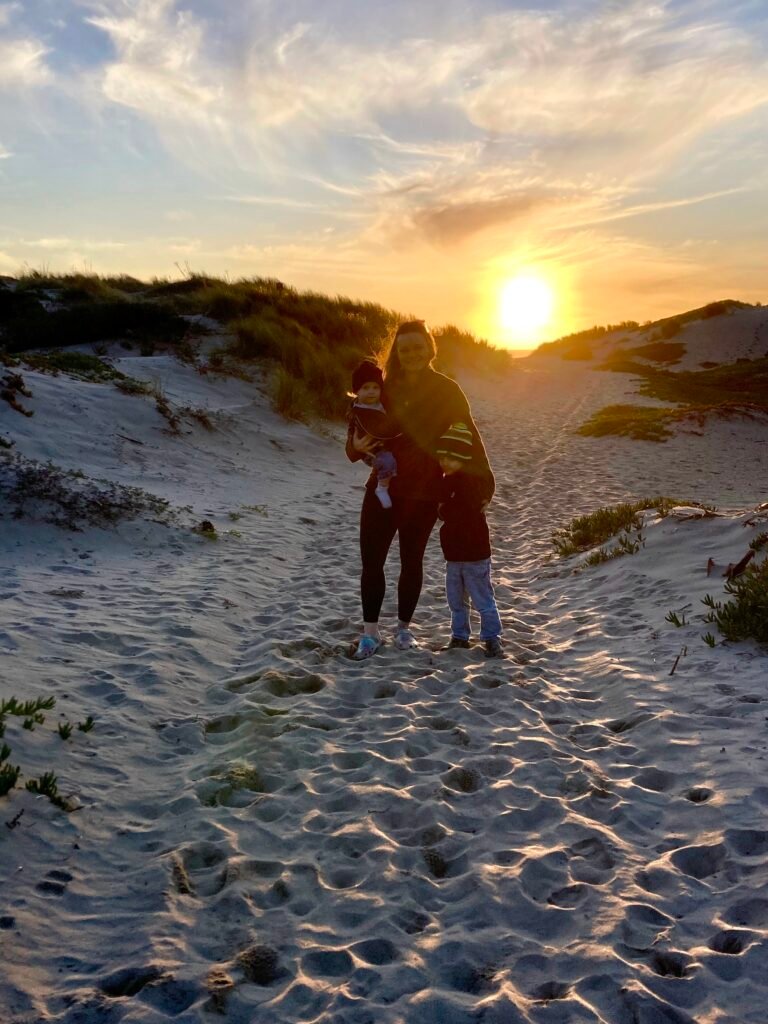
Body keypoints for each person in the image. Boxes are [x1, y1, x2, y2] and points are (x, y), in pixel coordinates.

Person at [346, 320, 495, 660]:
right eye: (405, 348)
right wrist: (354, 447)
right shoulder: (386, 387)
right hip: (382, 489)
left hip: (425, 492)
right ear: (397, 352)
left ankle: (403, 629)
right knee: (372, 562)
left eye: (418, 347)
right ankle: (370, 633)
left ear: (430, 348)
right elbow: (358, 426)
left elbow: (467, 432)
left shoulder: (447, 390)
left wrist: (484, 479)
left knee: (411, 562)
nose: (411, 353)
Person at [436, 422, 504, 657]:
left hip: (475, 553)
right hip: (453, 554)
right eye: (442, 456)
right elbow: (441, 508)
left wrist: (445, 509)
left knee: (483, 598)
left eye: (452, 458)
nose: (445, 462)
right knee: (456, 599)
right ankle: (459, 636)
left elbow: (457, 509)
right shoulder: (445, 481)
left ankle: (492, 638)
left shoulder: (472, 482)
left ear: (464, 458)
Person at [347, 360, 400, 508]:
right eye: (366, 388)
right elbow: (377, 431)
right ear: (356, 391)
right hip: (373, 451)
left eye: (375, 387)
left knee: (390, 461)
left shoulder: (380, 403)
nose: (371, 391)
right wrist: (354, 446)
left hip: (382, 446)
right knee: (387, 461)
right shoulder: (360, 411)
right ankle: (382, 488)